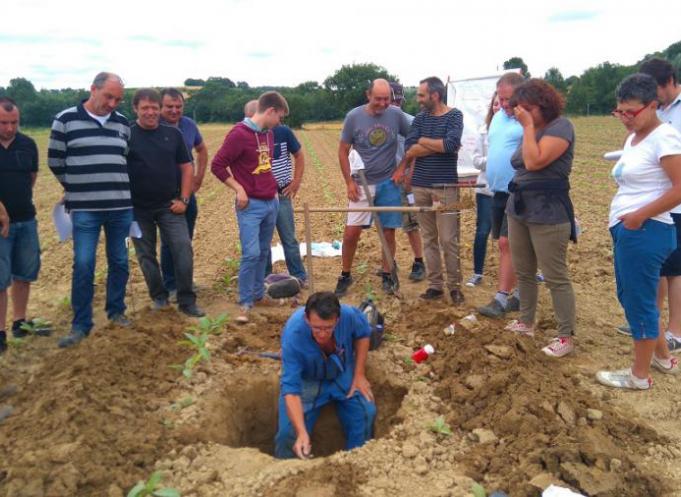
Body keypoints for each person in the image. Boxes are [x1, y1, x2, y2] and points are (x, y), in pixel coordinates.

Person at [596, 73, 681, 389]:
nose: (625, 119)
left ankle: (639, 376)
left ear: (653, 105)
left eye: (631, 112)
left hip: (647, 230)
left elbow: (679, 188)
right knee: (630, 296)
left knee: (641, 302)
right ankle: (662, 358)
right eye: (620, 111)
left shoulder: (665, 137)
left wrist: (638, 216)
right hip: (629, 229)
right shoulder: (634, 139)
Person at [48, 72, 133, 348]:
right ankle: (81, 324)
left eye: (118, 99)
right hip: (85, 209)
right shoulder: (66, 120)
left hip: (120, 208)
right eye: (108, 96)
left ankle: (116, 311)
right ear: (92, 90)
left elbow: (125, 159)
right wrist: (76, 187)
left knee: (119, 261)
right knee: (84, 264)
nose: (113, 103)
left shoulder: (122, 124)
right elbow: (55, 161)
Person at [505, 79, 577, 357]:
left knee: (555, 275)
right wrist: (528, 128)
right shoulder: (532, 129)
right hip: (520, 207)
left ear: (543, 104)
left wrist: (526, 127)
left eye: (527, 108)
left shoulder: (561, 126)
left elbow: (534, 162)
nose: (521, 113)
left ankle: (565, 335)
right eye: (518, 109)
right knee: (524, 271)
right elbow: (520, 159)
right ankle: (526, 321)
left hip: (549, 210)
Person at [211, 91, 288, 324]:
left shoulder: (268, 134)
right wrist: (239, 189)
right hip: (250, 205)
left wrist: (273, 191)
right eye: (280, 117)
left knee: (264, 252)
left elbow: (264, 167)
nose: (280, 122)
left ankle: (258, 294)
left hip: (270, 201)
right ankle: (244, 302)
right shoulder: (238, 134)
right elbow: (217, 165)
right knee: (251, 253)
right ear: (270, 111)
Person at [127, 88, 204, 317]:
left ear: (159, 108)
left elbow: (187, 166)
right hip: (137, 209)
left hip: (170, 206)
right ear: (135, 109)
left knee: (182, 248)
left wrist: (184, 198)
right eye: (145, 108)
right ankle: (159, 297)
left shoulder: (173, 134)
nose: (150, 112)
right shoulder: (126, 135)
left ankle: (186, 300)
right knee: (146, 255)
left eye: (154, 108)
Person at [274, 291, 376, 459]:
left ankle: (356, 463)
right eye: (317, 328)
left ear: (337, 319)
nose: (322, 334)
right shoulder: (294, 335)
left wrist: (359, 374)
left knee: (365, 413)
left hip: (340, 373)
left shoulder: (348, 315)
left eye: (328, 328)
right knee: (287, 435)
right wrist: (301, 433)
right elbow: (291, 389)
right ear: (307, 319)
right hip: (308, 380)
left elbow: (363, 333)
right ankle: (286, 473)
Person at [335, 79, 411, 297]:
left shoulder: (396, 115)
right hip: (361, 183)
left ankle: (388, 274)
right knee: (351, 233)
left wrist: (403, 168)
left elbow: (413, 141)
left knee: (388, 231)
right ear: (368, 95)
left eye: (387, 98)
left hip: (388, 182)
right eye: (378, 99)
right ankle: (345, 274)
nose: (383, 103)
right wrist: (349, 182)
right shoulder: (354, 117)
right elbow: (343, 151)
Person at [394, 76, 465, 304]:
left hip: (444, 187)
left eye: (422, 95)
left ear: (435, 95)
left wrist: (424, 141)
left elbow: (451, 145)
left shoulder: (455, 116)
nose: (418, 99)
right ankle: (435, 286)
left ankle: (454, 286)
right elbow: (409, 148)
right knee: (429, 239)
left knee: (448, 239)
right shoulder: (420, 118)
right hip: (421, 186)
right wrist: (436, 145)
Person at [0, 98, 51, 355]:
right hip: (0, 227)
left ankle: (19, 322)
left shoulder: (28, 144)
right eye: (3, 123)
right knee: (0, 280)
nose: (9, 128)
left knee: (24, 274)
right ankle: (0, 334)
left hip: (26, 220)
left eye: (14, 123)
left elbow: (31, 178)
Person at [638, 58, 681, 354]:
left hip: (677, 202)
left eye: (655, 90)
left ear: (669, 81)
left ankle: (675, 330)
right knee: (658, 267)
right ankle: (654, 323)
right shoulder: (659, 111)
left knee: (676, 270)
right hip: (655, 200)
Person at [242, 100, 308, 284]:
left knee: (289, 238)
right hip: (259, 197)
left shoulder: (283, 132)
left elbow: (300, 156)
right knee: (263, 242)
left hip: (281, 194)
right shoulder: (246, 135)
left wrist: (295, 183)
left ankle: (299, 276)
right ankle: (265, 278)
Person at [477, 72, 524, 318]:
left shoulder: (527, 120)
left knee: (509, 243)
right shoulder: (497, 119)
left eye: (508, 99)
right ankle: (519, 293)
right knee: (505, 244)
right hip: (496, 190)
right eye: (501, 99)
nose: (504, 104)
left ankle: (502, 298)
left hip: (519, 191)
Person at [159, 88, 209, 299]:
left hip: (187, 191)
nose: (174, 110)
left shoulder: (188, 124)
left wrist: (198, 178)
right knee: (169, 241)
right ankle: (170, 284)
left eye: (178, 106)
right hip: (163, 193)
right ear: (161, 107)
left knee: (185, 240)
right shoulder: (155, 125)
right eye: (169, 106)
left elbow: (202, 150)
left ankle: (184, 281)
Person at [389, 82, 425, 282]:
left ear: (401, 100)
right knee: (387, 224)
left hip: (405, 181)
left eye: (397, 99)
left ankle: (419, 261)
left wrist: (411, 175)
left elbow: (418, 151)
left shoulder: (411, 122)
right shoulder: (381, 122)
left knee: (411, 224)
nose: (394, 103)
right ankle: (390, 262)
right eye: (390, 100)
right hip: (385, 181)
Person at [466, 92, 499, 287]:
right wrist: (496, 160)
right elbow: (477, 161)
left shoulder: (518, 129)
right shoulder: (483, 131)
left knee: (514, 235)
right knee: (482, 231)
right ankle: (477, 273)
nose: (499, 107)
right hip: (486, 190)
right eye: (495, 104)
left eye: (502, 103)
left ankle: (526, 273)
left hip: (509, 191)